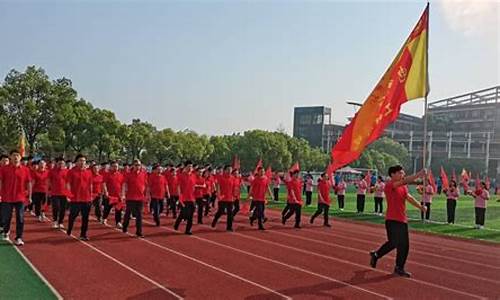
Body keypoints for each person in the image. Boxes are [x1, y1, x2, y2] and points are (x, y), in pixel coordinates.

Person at [369, 166, 426, 278]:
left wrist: (420, 207)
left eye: (402, 172)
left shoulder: (403, 187)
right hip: (392, 219)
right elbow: (405, 181)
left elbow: (409, 198)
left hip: (402, 219)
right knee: (393, 242)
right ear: (393, 174)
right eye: (400, 172)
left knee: (404, 245)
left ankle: (399, 267)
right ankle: (376, 255)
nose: (402, 174)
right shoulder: (390, 185)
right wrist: (419, 174)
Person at [0, 150, 32, 246]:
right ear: (10, 157)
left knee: (20, 218)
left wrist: (29, 196)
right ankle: (6, 231)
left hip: (20, 198)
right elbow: (0, 182)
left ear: (20, 157)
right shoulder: (4, 169)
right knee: (6, 217)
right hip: (7, 197)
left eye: (17, 155)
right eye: (14, 155)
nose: (16, 157)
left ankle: (19, 237)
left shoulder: (25, 170)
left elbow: (29, 183)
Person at [66, 154, 93, 241]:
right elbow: (68, 184)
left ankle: (83, 234)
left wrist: (91, 195)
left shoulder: (88, 172)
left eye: (84, 161)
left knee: (85, 218)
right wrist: (68, 195)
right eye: (80, 161)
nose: (82, 163)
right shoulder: (71, 172)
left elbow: (90, 184)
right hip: (75, 198)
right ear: (76, 162)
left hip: (86, 198)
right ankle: (69, 228)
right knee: (73, 216)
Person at [122, 159, 147, 238]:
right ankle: (125, 226)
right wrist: (123, 194)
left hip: (140, 198)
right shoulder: (128, 174)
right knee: (128, 213)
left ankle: (139, 232)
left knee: (139, 215)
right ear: (133, 165)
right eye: (136, 165)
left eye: (139, 165)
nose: (138, 166)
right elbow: (124, 184)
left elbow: (145, 185)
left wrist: (146, 194)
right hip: (130, 197)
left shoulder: (143, 174)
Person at [174, 161, 196, 235]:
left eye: (191, 167)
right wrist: (180, 198)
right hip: (184, 198)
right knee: (184, 213)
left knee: (191, 215)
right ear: (185, 167)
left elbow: (193, 187)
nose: (190, 168)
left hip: (192, 198)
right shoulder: (181, 176)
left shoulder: (193, 176)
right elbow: (178, 187)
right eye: (188, 166)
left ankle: (188, 230)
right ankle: (177, 223)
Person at [211, 165, 235, 231]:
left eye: (230, 169)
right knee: (220, 211)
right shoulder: (221, 177)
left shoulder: (233, 178)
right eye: (228, 169)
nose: (229, 171)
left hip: (230, 198)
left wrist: (234, 195)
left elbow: (233, 188)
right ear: (225, 170)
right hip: (222, 198)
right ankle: (215, 220)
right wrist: (219, 196)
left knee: (230, 213)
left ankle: (229, 227)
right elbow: (218, 187)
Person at [48, 157, 69, 229]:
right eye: (59, 163)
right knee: (56, 207)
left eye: (62, 163)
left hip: (64, 193)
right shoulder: (52, 171)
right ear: (56, 163)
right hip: (55, 193)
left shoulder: (67, 171)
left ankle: (60, 222)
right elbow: (49, 181)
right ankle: (55, 221)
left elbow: (68, 182)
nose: (61, 165)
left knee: (63, 208)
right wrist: (49, 190)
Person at [102, 161, 124, 228]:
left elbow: (122, 185)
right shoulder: (107, 174)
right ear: (111, 167)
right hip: (110, 195)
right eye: (114, 166)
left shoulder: (120, 175)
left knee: (118, 210)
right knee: (107, 208)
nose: (115, 168)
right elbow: (104, 183)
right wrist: (106, 192)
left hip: (118, 195)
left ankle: (118, 222)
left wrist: (122, 194)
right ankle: (104, 218)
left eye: (116, 166)